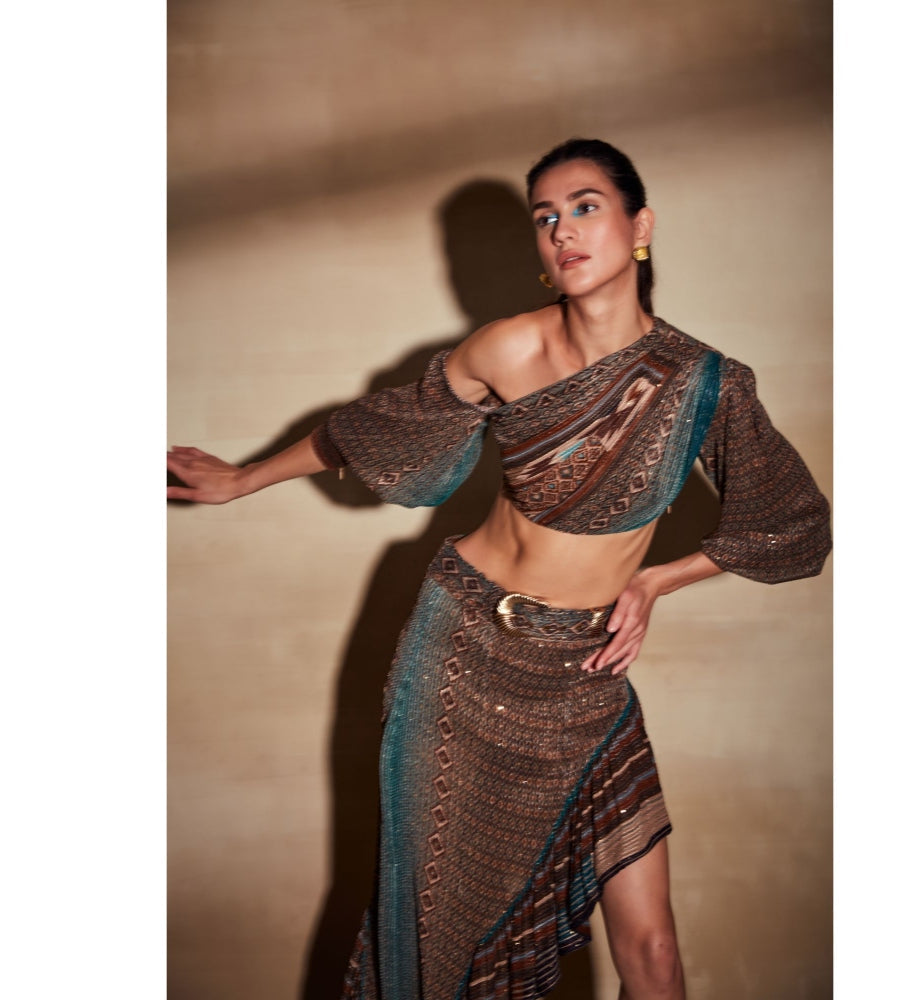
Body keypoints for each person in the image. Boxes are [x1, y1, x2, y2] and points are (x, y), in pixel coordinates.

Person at [167, 138, 831, 1000]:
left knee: (653, 951)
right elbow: (376, 430)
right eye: (545, 217)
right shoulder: (508, 349)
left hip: (584, 672)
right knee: (433, 936)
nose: (562, 231)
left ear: (641, 227)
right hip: (460, 653)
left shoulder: (705, 382)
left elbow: (791, 522)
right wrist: (244, 478)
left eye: (585, 207)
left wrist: (653, 581)